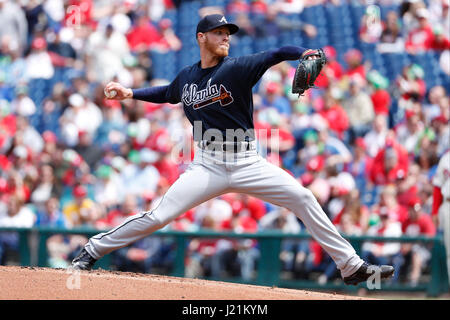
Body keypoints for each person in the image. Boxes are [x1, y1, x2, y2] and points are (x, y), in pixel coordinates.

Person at [71, 14, 394, 285]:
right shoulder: (187, 78)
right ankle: (92, 250)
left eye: (228, 33)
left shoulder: (238, 67)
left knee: (303, 197)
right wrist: (131, 93)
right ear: (201, 38)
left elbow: (276, 52)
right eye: (219, 33)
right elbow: (168, 93)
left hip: (247, 162)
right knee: (159, 216)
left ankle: (350, 266)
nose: (226, 38)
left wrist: (304, 52)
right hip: (208, 165)